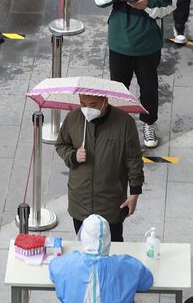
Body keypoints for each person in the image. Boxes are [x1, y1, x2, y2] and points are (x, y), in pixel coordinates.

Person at [93, 0, 177, 149]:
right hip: (119, 42)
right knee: (117, 88)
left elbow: (171, 4)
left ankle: (149, 123)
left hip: (147, 45)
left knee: (148, 87)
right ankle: (117, 126)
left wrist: (147, 5)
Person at [55, 94, 145, 242]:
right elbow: (61, 145)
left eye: (93, 104)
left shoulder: (125, 123)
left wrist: (135, 192)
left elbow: (133, 159)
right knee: (84, 247)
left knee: (113, 248)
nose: (87, 109)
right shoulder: (73, 118)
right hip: (80, 202)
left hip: (111, 205)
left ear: (105, 101)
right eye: (83, 103)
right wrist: (73, 155)